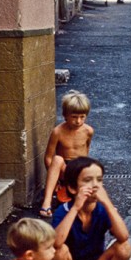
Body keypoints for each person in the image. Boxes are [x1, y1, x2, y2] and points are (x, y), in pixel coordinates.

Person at [49, 156, 131, 260]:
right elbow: (56, 242)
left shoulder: (102, 209)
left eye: (99, 180)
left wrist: (108, 203)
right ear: (73, 188)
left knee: (124, 248)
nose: (95, 185)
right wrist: (76, 208)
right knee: (59, 250)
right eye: (88, 180)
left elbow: (123, 236)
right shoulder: (63, 211)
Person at [39, 91, 94, 219]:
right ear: (65, 115)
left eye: (82, 117)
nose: (78, 121)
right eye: (74, 117)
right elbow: (48, 157)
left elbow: (86, 152)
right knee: (57, 159)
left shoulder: (88, 131)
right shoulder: (58, 132)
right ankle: (46, 202)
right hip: (64, 168)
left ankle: (102, 204)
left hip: (79, 168)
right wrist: (56, 178)